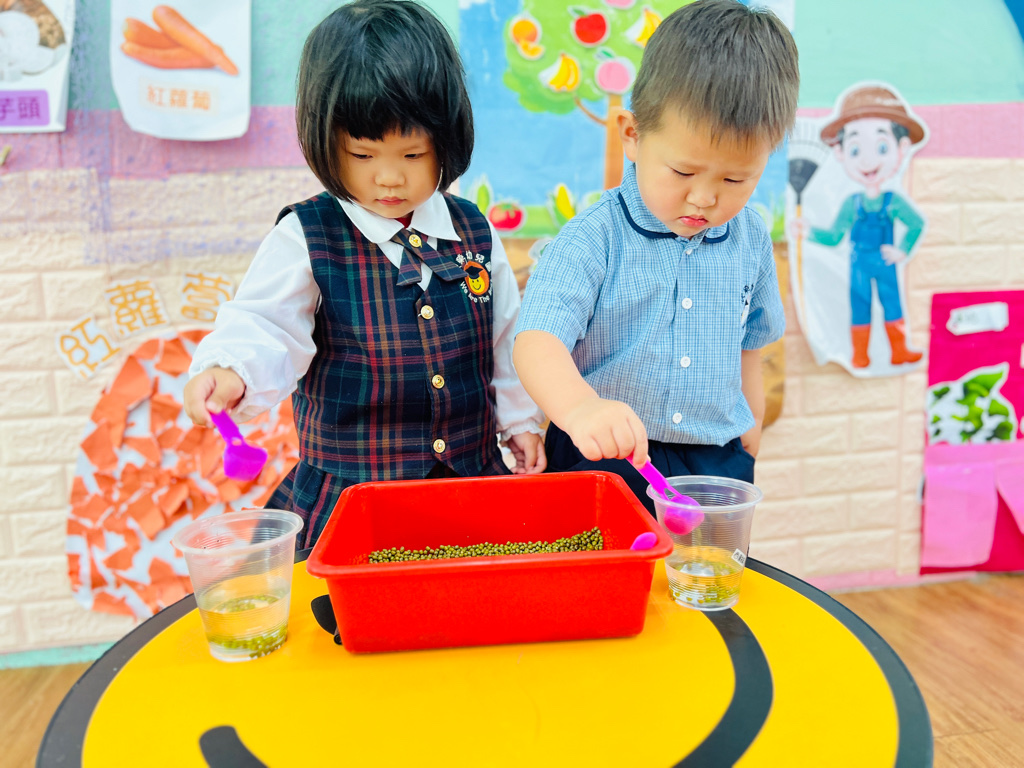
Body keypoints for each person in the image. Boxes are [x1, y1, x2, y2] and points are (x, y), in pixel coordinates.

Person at [184, 0, 545, 549]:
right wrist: (231, 371)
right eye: (362, 154)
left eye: (413, 154)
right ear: (325, 142)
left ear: (446, 141)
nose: (389, 178)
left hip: (468, 487)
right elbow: (265, 324)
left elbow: (508, 339)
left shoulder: (473, 229)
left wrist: (520, 422)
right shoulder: (307, 236)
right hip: (353, 501)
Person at [512, 0, 798, 515]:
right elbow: (537, 341)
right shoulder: (593, 237)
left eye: (735, 179)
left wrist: (752, 421)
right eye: (683, 173)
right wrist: (580, 409)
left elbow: (750, 341)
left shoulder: (750, 237)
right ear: (633, 135)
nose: (705, 198)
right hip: (605, 452)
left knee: (708, 567)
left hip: (717, 457)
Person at [791, 85, 926, 369]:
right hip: (859, 263)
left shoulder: (893, 201)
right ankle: (860, 354)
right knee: (860, 307)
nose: (867, 160)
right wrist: (808, 231)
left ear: (901, 148)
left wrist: (902, 250)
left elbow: (916, 223)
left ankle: (899, 350)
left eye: (881, 147)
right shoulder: (851, 205)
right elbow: (834, 237)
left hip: (885, 262)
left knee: (892, 303)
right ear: (840, 153)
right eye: (855, 149)